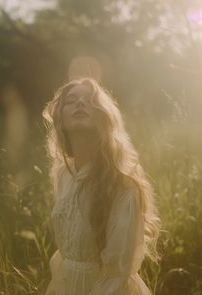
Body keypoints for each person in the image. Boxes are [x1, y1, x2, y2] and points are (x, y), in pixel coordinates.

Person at [42, 77, 161, 295]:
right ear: (60, 118)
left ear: (103, 117)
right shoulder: (63, 175)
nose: (80, 104)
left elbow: (118, 273)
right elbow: (66, 254)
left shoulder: (122, 183)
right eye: (71, 100)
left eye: (90, 100)